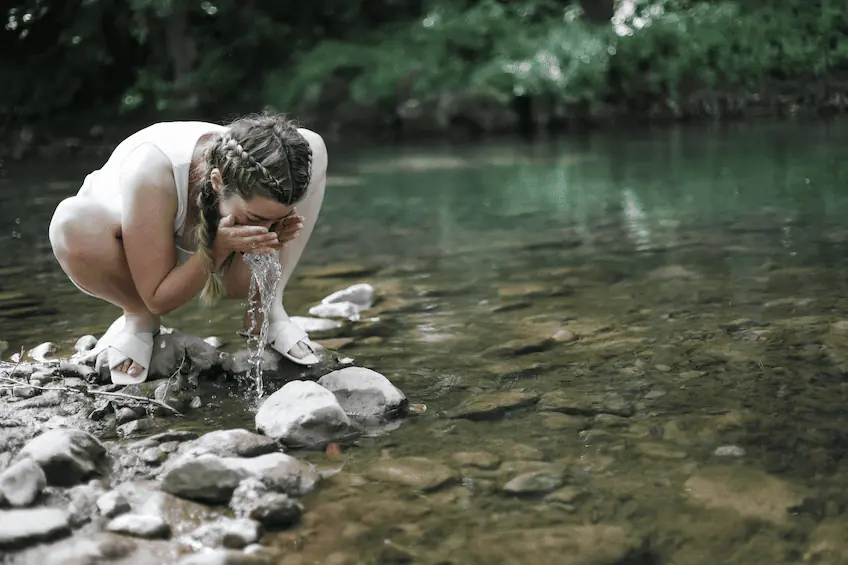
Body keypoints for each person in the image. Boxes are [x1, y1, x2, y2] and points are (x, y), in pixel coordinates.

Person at [48, 112, 328, 385]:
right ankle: (137, 319)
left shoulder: (262, 175)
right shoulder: (152, 171)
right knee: (70, 222)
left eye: (275, 219)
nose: (265, 228)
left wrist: (271, 242)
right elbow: (159, 298)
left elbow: (237, 287)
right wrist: (216, 250)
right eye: (256, 219)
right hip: (126, 242)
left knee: (312, 143)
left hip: (216, 221)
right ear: (219, 183)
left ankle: (268, 309)